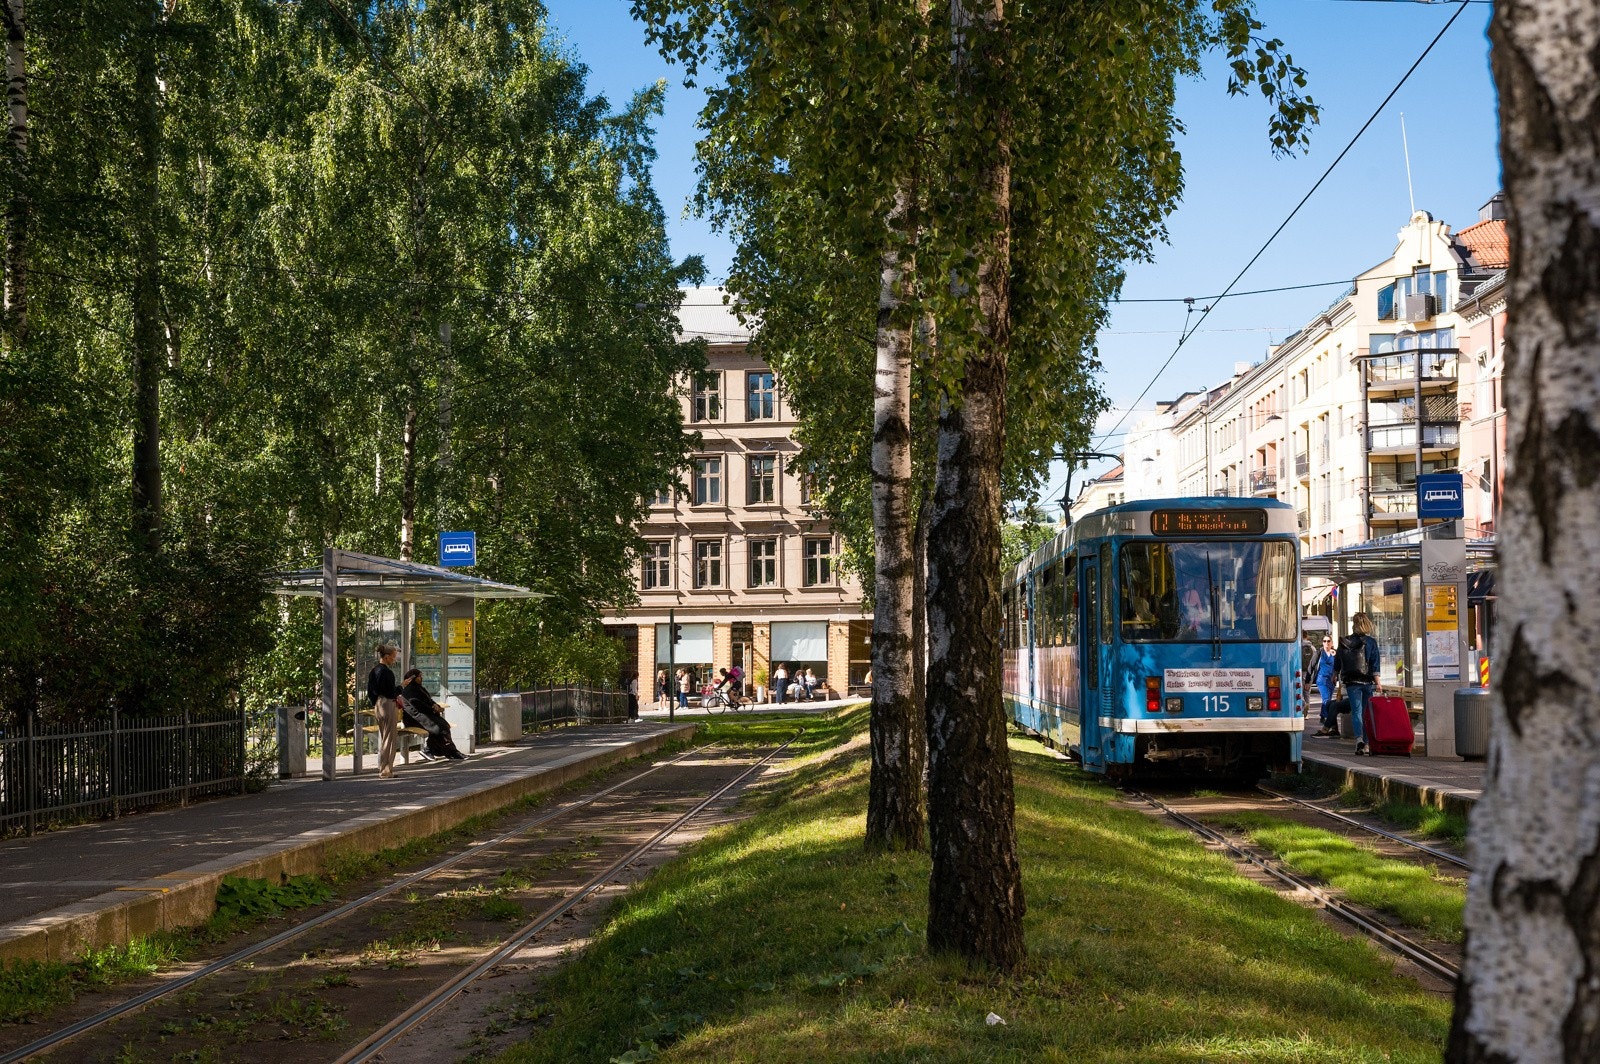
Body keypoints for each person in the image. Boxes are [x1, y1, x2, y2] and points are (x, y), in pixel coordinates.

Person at [1334, 612, 1383, 755]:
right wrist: (1378, 683)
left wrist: (1334, 674)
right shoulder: (1371, 642)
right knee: (1366, 712)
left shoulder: (1346, 641)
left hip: (1351, 681)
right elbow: (1375, 664)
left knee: (1356, 711)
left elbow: (1338, 659)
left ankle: (1359, 739)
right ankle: (1367, 744)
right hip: (1367, 682)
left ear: (1353, 625)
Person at [399, 669, 467, 760]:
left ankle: (430, 750)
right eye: (419, 676)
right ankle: (451, 752)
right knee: (439, 727)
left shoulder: (418, 688)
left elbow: (429, 700)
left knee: (443, 725)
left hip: (423, 716)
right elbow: (417, 704)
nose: (421, 678)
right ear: (413, 678)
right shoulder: (409, 690)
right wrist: (433, 709)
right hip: (414, 719)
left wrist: (435, 706)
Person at [364, 643, 403, 779]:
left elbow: (371, 691)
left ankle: (384, 769)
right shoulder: (386, 672)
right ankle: (386, 770)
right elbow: (391, 692)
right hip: (387, 704)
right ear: (386, 657)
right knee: (389, 738)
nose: (394, 659)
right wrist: (402, 687)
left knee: (385, 736)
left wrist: (375, 702)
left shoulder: (374, 671)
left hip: (379, 704)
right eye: (393, 657)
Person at [1312, 636, 1340, 736]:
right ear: (1322, 643)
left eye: (1328, 641)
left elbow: (1338, 667)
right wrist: (1307, 681)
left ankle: (1333, 727)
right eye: (1324, 641)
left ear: (1332, 643)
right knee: (1326, 700)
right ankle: (1326, 721)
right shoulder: (1319, 653)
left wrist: (1337, 676)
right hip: (1321, 680)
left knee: (1329, 703)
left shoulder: (1336, 653)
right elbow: (1311, 665)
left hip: (1331, 681)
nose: (1326, 643)